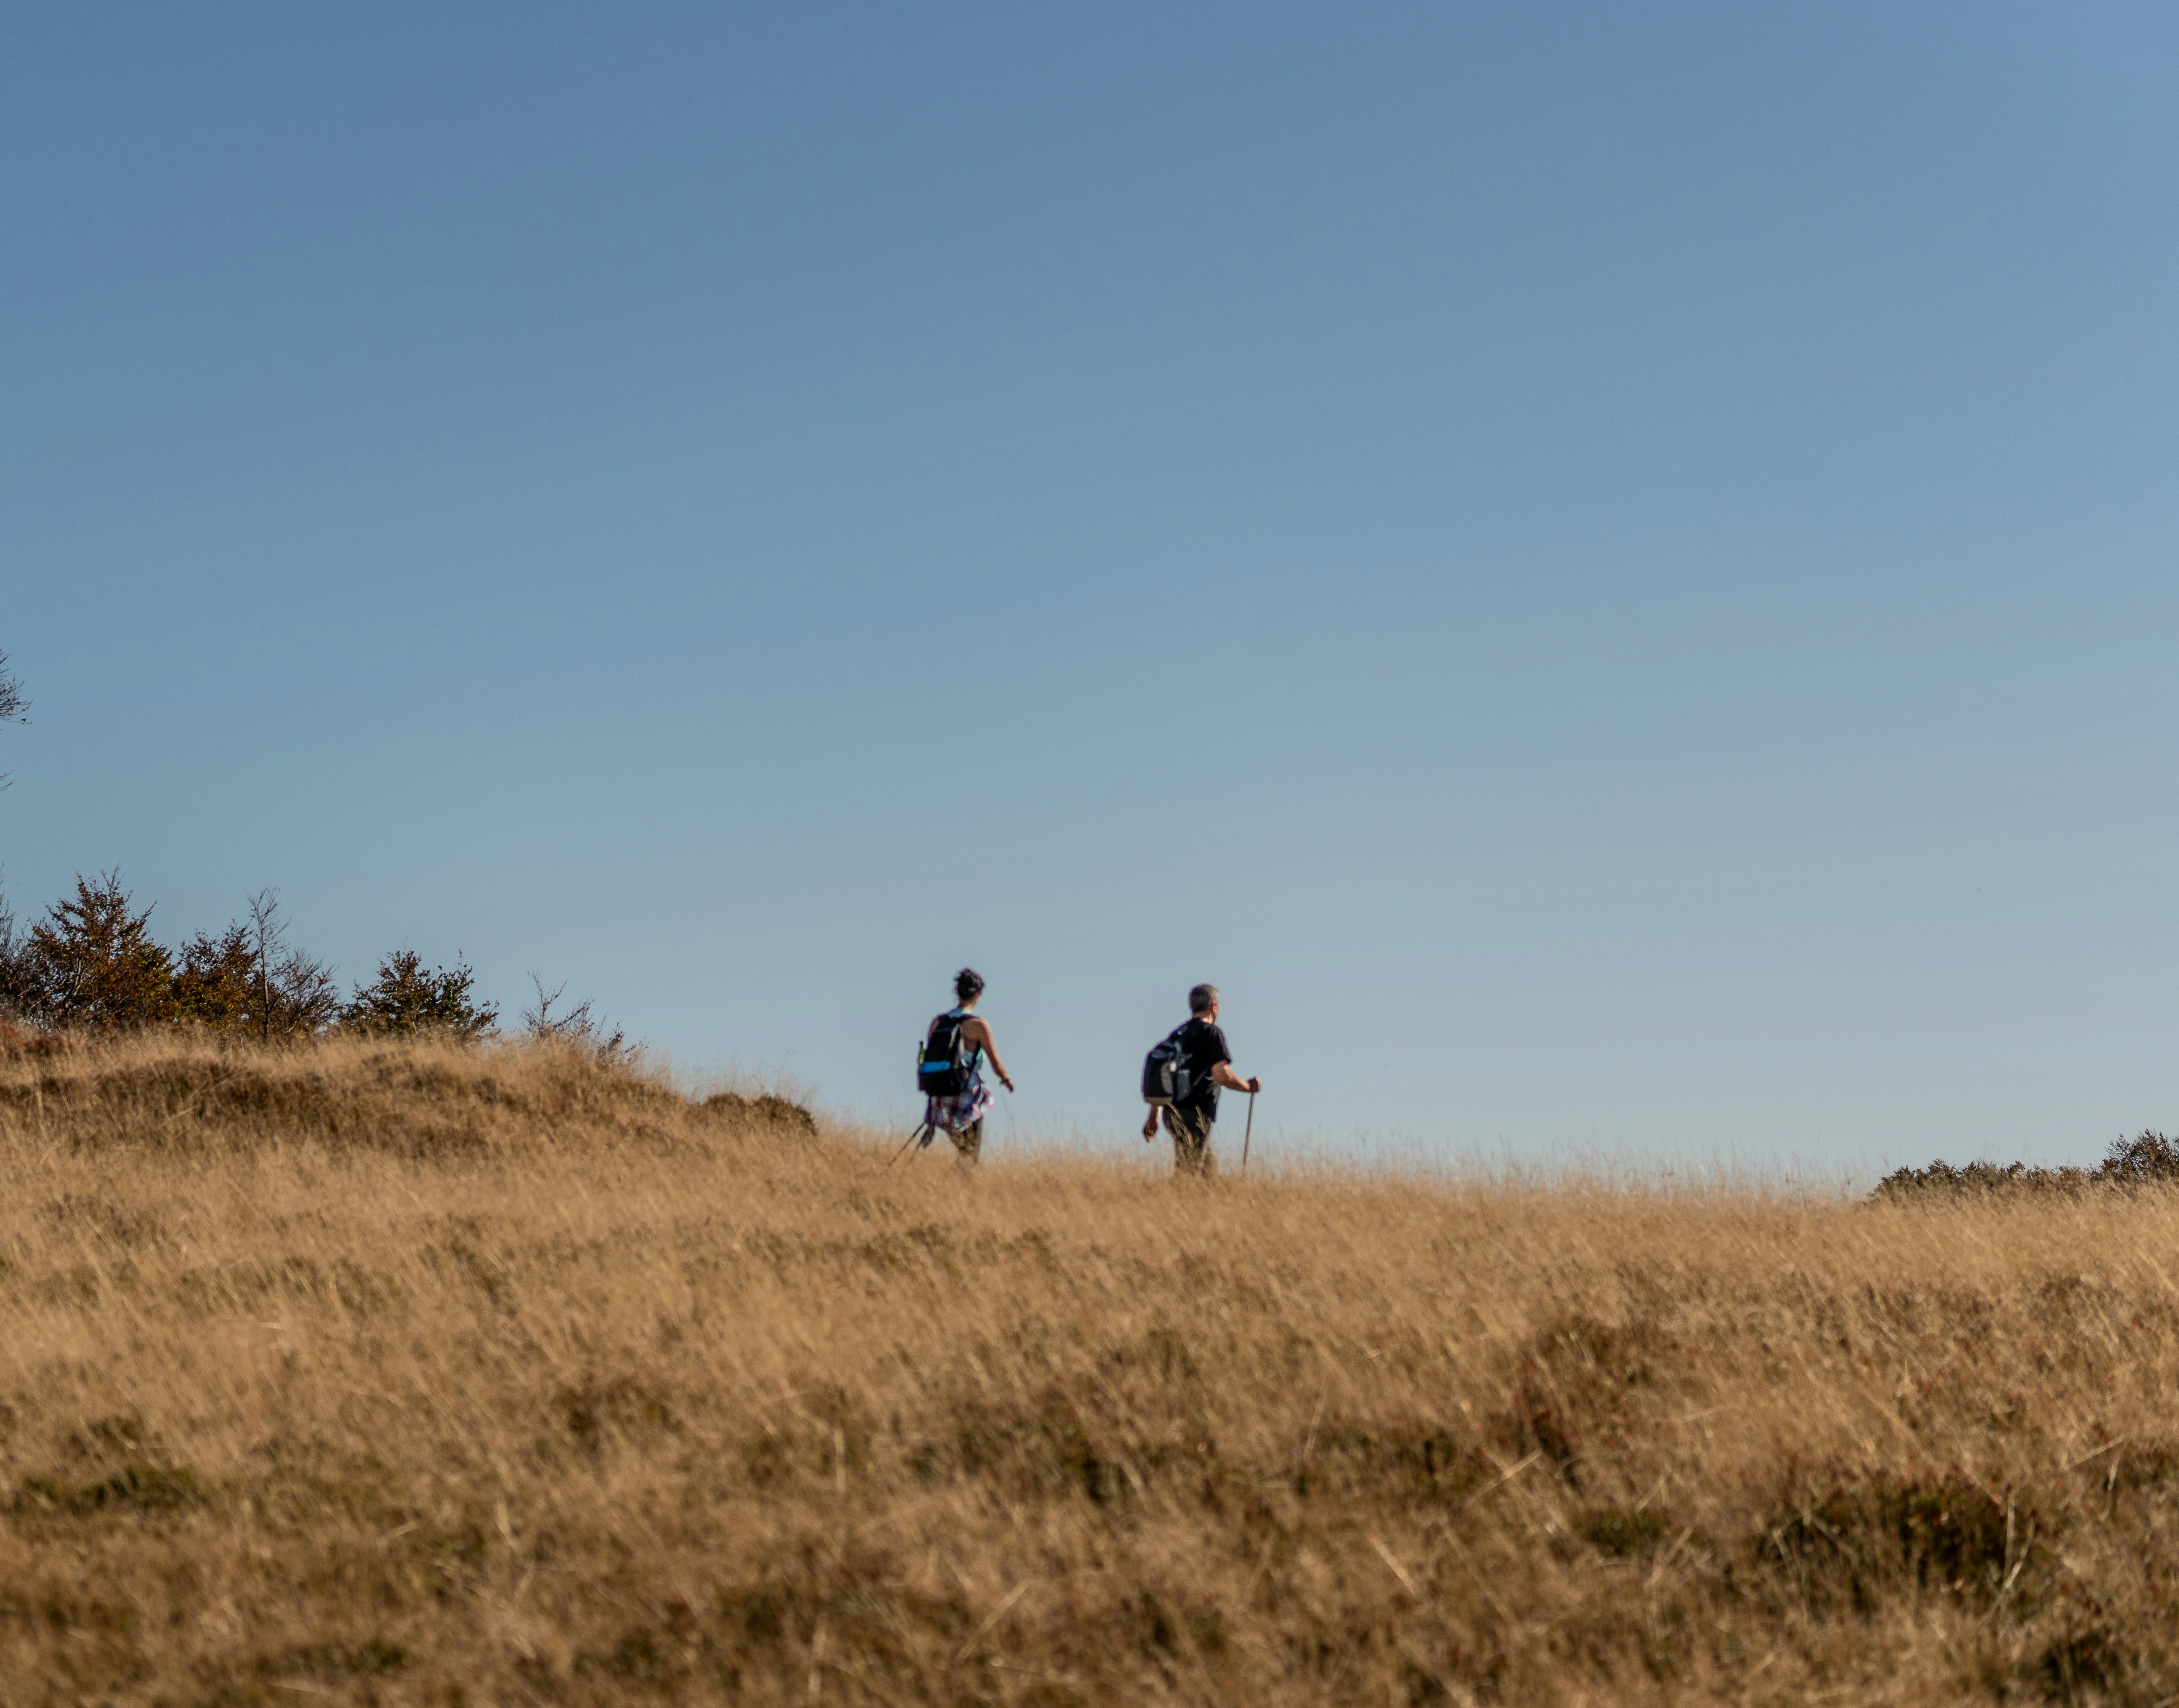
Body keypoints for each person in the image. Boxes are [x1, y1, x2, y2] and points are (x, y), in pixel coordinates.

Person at [1141, 983, 1261, 1177]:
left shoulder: (1179, 1034)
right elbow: (1222, 1074)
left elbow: (1164, 1073)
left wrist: (1154, 1115)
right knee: (1188, 1172)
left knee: (1207, 1171)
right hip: (1194, 1114)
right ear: (1214, 1007)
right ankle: (1169, 1204)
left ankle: (1205, 1204)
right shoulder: (1211, 1033)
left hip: (1171, 1113)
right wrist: (1249, 1087)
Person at [924, 968, 1014, 1169]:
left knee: (965, 1152)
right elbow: (996, 1063)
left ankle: (950, 1190)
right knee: (971, 1156)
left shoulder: (938, 1022)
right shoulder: (978, 1025)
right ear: (978, 995)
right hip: (966, 1096)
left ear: (958, 992)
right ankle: (949, 1192)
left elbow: (930, 1059)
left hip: (940, 1097)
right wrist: (1007, 1080)